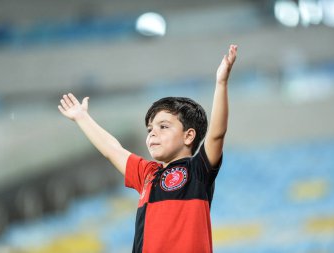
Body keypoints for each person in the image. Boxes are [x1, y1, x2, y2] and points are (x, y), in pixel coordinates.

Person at [58, 44, 237, 253]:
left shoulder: (198, 170)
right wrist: (82, 117)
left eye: (163, 127)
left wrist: (221, 83)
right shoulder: (147, 175)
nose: (152, 133)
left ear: (189, 135)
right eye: (150, 129)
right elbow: (112, 149)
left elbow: (217, 134)